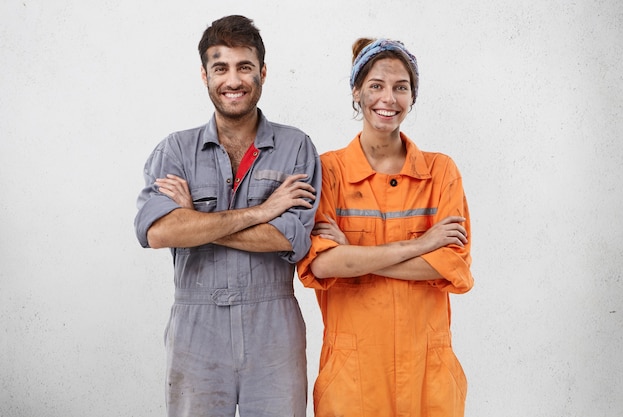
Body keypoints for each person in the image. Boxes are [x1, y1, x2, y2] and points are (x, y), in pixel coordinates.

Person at [134, 15, 320, 417]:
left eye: (244, 67)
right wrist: (264, 211)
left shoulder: (296, 148)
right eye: (221, 68)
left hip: (273, 328)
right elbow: (157, 231)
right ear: (204, 75)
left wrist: (193, 221)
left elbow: (289, 238)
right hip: (195, 330)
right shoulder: (175, 152)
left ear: (263, 73)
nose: (232, 80)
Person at [296, 38, 474, 417]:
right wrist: (420, 244)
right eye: (376, 85)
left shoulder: (440, 172)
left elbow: (451, 265)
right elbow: (322, 265)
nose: (388, 98)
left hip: (429, 373)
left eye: (400, 87)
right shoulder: (329, 172)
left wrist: (354, 256)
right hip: (354, 376)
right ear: (356, 92)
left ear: (412, 96)